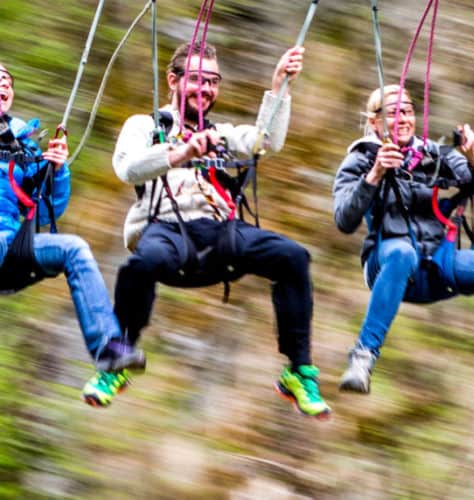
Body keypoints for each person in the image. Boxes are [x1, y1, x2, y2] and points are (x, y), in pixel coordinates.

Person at [99, 41, 331, 419]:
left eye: (213, 81)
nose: (205, 89)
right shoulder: (146, 126)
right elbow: (127, 169)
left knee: (293, 257)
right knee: (142, 264)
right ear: (172, 81)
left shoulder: (220, 132)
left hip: (220, 232)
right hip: (166, 228)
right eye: (196, 80)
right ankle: (118, 356)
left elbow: (264, 141)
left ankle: (298, 370)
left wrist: (279, 86)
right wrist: (180, 153)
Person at [333, 84, 474, 393]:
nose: (404, 119)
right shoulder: (361, 160)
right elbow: (344, 220)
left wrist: (473, 155)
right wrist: (376, 174)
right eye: (394, 113)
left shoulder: (432, 155)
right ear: (375, 122)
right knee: (402, 254)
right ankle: (363, 356)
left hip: (437, 263)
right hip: (387, 262)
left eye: (408, 111)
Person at [0, 64, 145, 408]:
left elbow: (51, 208)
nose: (2, 86)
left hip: (9, 246)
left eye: (6, 82)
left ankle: (108, 351)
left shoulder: (19, 148)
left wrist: (56, 168)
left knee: (74, 249)